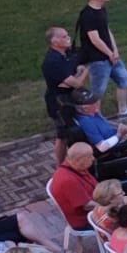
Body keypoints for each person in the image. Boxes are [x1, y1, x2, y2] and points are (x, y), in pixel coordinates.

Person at [76, 0, 127, 116]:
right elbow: (94, 39)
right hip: (97, 58)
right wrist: (109, 54)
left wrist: (115, 50)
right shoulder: (88, 15)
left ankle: (123, 110)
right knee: (98, 90)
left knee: (124, 79)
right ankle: (96, 116)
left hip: (110, 55)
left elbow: (106, 30)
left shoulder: (101, 10)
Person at [41, 27, 90, 162]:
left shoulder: (67, 54)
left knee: (72, 132)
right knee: (64, 135)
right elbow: (76, 83)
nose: (68, 38)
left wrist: (77, 73)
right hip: (59, 103)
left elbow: (74, 73)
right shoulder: (52, 61)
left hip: (70, 98)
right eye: (64, 37)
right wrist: (85, 72)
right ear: (54, 41)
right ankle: (62, 164)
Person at [47, 143, 101, 238]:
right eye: (90, 156)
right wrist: (110, 206)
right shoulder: (68, 180)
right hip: (84, 220)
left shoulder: (75, 166)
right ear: (78, 160)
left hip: (92, 208)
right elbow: (87, 206)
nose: (93, 158)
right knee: (125, 220)